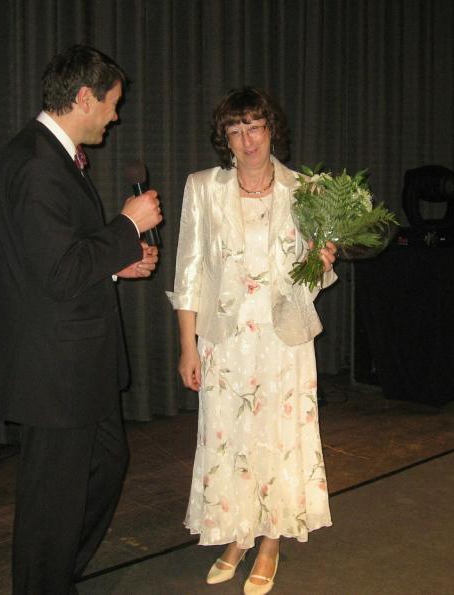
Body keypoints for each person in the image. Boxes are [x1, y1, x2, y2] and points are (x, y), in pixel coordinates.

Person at [0, 44, 162, 593]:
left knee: (105, 465)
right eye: (112, 103)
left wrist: (116, 265)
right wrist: (127, 226)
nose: (116, 115)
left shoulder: (50, 156)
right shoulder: (38, 165)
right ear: (85, 97)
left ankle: (55, 572)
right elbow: (59, 273)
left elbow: (60, 258)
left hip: (78, 365)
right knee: (51, 503)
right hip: (56, 372)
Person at [167, 87, 336, 595]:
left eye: (255, 127)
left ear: (271, 129)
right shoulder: (203, 188)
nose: (248, 140)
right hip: (226, 340)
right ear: (225, 138)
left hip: (284, 340)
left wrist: (322, 262)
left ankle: (270, 541)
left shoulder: (305, 190)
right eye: (236, 130)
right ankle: (237, 533)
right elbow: (189, 271)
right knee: (230, 437)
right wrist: (188, 346)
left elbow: (310, 283)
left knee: (278, 438)